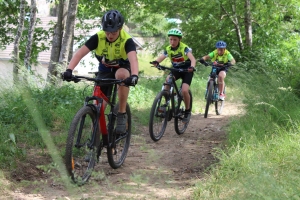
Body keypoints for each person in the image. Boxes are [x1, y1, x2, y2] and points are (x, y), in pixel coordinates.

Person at [62, 10, 139, 134]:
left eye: (113, 32)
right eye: (107, 32)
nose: (110, 35)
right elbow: (80, 53)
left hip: (123, 66)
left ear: (119, 29)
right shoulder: (98, 37)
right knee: (98, 109)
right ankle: (95, 143)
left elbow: (133, 59)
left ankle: (122, 113)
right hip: (105, 68)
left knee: (121, 75)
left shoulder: (127, 40)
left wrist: (134, 75)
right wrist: (69, 70)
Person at [151, 28, 196, 123]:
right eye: (171, 39)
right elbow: (161, 57)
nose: (172, 41)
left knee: (184, 90)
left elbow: (193, 59)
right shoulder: (168, 49)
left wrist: (192, 67)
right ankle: (167, 102)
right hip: (176, 70)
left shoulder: (184, 48)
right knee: (168, 80)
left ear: (179, 40)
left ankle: (187, 111)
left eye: (175, 39)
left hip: (187, 70)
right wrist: (156, 62)